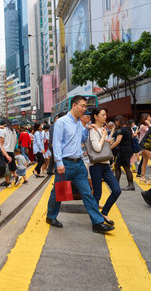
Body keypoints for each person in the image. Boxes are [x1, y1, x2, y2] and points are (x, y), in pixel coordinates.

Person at [47, 95, 114, 234]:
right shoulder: (62, 122)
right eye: (83, 106)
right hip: (65, 163)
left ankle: (97, 222)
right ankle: (51, 216)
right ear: (74, 105)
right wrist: (59, 163)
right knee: (60, 192)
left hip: (79, 164)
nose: (85, 109)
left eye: (85, 106)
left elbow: (80, 140)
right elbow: (57, 144)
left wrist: (87, 130)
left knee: (87, 193)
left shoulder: (79, 123)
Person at [88, 107, 121, 226]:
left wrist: (106, 138)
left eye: (105, 115)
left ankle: (104, 212)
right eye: (102, 115)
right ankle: (96, 220)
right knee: (97, 194)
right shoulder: (92, 129)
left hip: (105, 165)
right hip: (96, 165)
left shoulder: (102, 129)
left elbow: (103, 145)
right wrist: (103, 136)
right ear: (96, 116)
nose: (105, 117)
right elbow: (97, 148)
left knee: (117, 190)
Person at [111, 115, 135, 190]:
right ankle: (130, 184)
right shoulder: (128, 128)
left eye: (116, 122)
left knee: (119, 167)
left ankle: (117, 185)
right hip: (128, 150)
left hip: (123, 151)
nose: (115, 124)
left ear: (118, 121)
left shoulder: (121, 129)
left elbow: (117, 141)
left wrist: (110, 148)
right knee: (125, 167)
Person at [0, 119, 19, 187]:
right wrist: (12, 147)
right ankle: (15, 177)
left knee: (6, 167)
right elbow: (15, 141)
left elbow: (1, 141)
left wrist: (1, 149)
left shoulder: (3, 130)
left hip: (4, 151)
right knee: (10, 167)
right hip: (11, 150)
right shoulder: (13, 131)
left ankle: (8, 182)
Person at [138, 114, 151, 184]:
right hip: (145, 145)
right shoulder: (142, 126)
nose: (150, 118)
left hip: (146, 145)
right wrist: (150, 124)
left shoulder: (145, 126)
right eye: (148, 117)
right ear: (144, 119)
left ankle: (142, 177)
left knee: (145, 161)